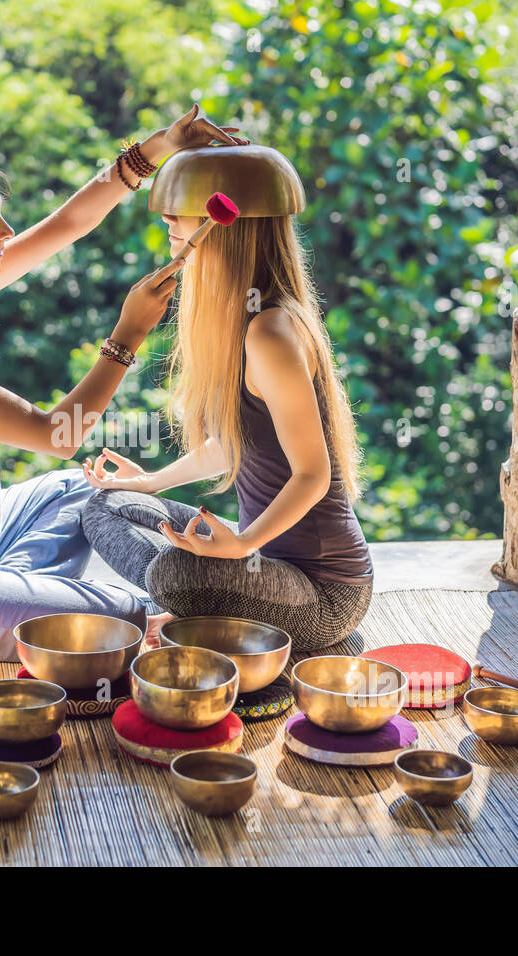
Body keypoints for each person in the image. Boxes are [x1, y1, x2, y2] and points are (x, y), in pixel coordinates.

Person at [0, 104, 249, 661]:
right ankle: (21, 605)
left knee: (83, 490)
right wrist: (126, 337)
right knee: (134, 617)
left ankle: (17, 600)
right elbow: (56, 435)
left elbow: (66, 226)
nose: (7, 233)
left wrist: (156, 149)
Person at [80, 145, 374, 652]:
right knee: (106, 505)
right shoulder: (246, 322)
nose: (168, 219)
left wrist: (243, 545)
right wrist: (152, 482)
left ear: (227, 221)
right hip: (260, 562)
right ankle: (194, 610)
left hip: (324, 595)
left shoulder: (272, 331)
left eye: (180, 209)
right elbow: (231, 444)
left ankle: (176, 612)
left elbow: (313, 474)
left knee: (173, 574)